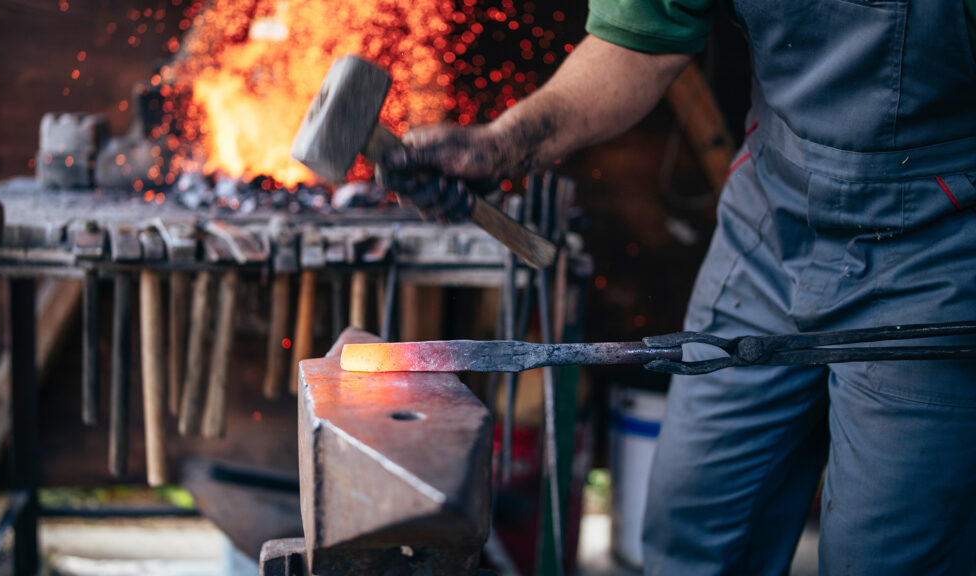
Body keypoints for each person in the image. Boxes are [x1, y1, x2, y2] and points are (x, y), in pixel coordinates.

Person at [378, 0, 976, 574]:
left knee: (888, 553)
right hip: (773, 218)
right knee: (697, 523)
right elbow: (638, 40)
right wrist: (504, 142)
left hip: (940, 242)